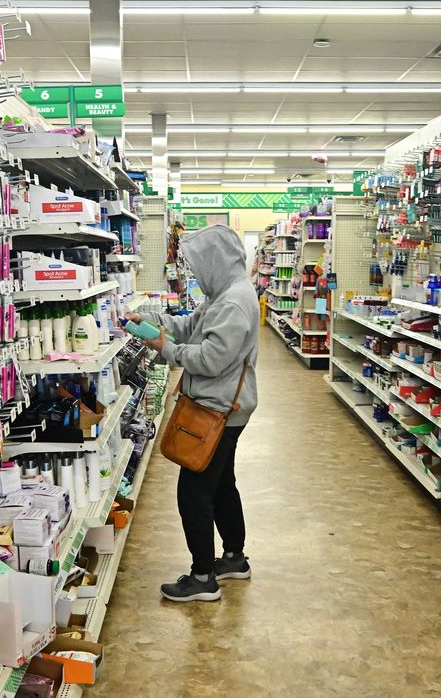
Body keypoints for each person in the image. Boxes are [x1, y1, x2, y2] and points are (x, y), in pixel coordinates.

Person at [128, 224, 259, 603]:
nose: (196, 274)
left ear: (215, 261)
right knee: (220, 485)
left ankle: (203, 577)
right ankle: (234, 558)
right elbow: (191, 326)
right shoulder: (224, 294)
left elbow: (210, 359)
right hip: (224, 407)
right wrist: (152, 324)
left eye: (200, 265)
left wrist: (165, 347)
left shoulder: (233, 302)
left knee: (194, 492)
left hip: (217, 409)